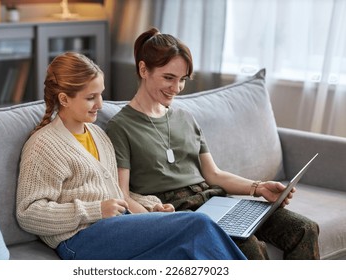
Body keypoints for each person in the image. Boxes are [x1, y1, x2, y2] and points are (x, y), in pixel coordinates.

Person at [105, 28, 320, 260]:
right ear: (143, 69)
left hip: (215, 201)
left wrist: (259, 187)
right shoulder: (120, 127)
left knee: (304, 229)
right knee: (249, 248)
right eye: (168, 77)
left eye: (182, 80)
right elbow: (122, 195)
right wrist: (160, 219)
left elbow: (214, 174)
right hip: (180, 212)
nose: (176, 88)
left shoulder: (185, 118)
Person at [16, 52, 246, 260]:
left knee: (184, 253)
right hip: (79, 240)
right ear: (64, 99)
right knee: (197, 222)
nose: (100, 104)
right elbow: (28, 213)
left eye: (101, 95)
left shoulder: (97, 134)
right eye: (90, 97)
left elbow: (113, 192)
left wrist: (151, 207)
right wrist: (96, 210)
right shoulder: (43, 145)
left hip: (117, 225)